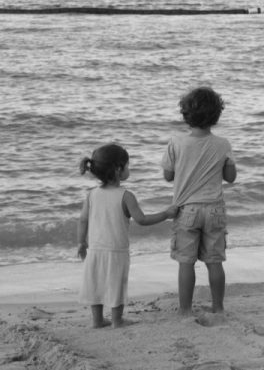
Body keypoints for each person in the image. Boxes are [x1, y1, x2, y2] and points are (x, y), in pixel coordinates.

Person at [78, 143, 178, 329]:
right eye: (127, 165)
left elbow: (83, 220)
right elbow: (141, 220)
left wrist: (81, 242)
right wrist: (166, 214)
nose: (129, 169)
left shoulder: (91, 195)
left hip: (95, 249)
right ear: (118, 169)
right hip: (117, 250)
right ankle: (117, 321)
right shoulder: (126, 195)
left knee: (96, 283)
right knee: (117, 284)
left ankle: (97, 320)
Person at [161, 86, 237, 317]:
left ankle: (185, 309)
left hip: (187, 210)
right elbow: (231, 177)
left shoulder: (176, 142)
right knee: (214, 261)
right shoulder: (222, 144)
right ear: (216, 116)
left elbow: (168, 176)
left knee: (186, 262)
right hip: (214, 209)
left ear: (185, 115)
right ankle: (218, 307)